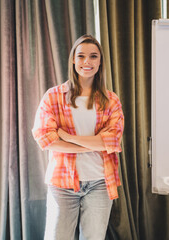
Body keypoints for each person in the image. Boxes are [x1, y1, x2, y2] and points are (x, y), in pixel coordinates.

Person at [32, 34, 124, 240]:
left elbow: (112, 140)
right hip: (62, 183)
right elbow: (47, 140)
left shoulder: (111, 101)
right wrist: (90, 146)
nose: (87, 62)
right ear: (73, 59)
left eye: (93, 56)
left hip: (100, 182)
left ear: (100, 62)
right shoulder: (53, 96)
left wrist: (68, 137)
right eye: (81, 56)